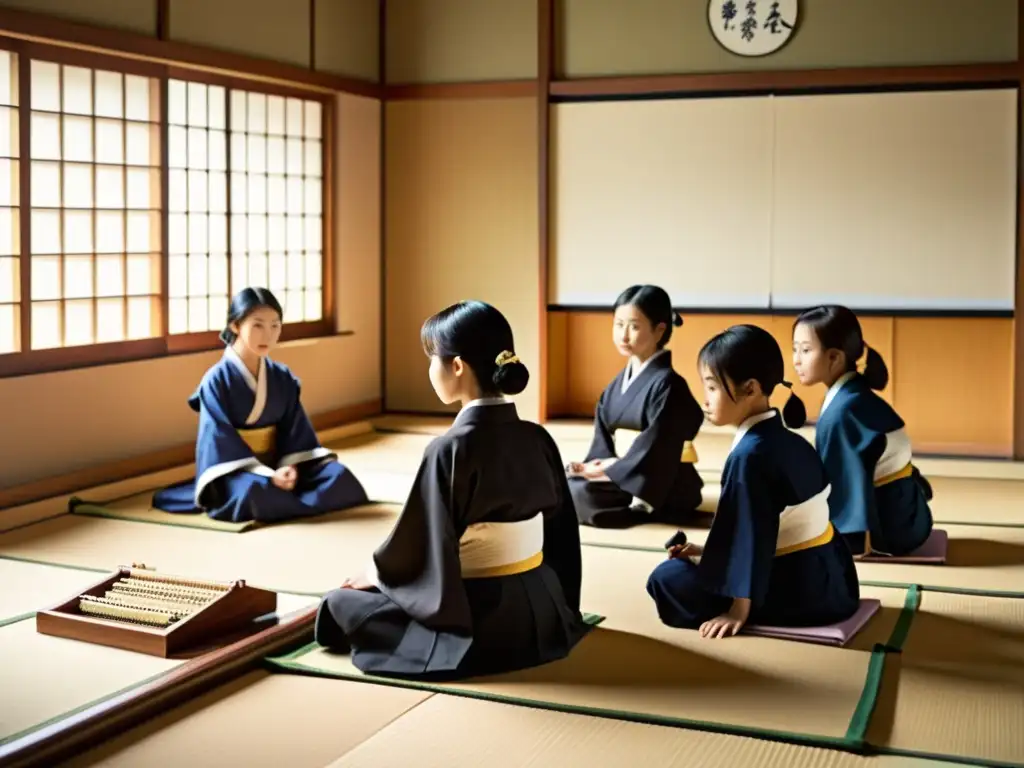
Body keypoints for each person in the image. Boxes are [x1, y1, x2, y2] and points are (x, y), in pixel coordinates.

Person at [315, 300, 590, 678]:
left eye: (432, 359)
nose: (430, 369)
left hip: (481, 621)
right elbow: (562, 534)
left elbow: (420, 546)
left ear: (457, 366)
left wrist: (378, 575)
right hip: (543, 612)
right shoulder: (538, 437)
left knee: (338, 605)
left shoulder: (449, 449)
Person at [646, 325, 860, 638]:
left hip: (802, 592)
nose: (705, 399)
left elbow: (752, 535)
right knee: (688, 567)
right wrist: (706, 551)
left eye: (712, 388)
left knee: (666, 579)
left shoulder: (750, 455)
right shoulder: (790, 439)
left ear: (750, 389)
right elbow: (770, 526)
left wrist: (738, 610)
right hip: (835, 579)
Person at [152, 287, 368, 523]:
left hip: (281, 465)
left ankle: (285, 497)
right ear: (235, 326)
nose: (268, 335)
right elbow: (218, 441)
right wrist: (267, 474)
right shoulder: (216, 381)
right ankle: (287, 497)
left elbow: (296, 433)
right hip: (239, 471)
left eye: (275, 326)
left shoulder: (282, 377)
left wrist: (291, 467)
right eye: (257, 325)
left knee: (339, 477)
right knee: (253, 492)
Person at [792, 305, 934, 557]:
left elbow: (846, 482)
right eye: (795, 350)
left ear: (834, 357)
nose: (796, 360)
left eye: (805, 350)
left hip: (894, 527)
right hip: (906, 510)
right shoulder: (850, 397)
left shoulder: (843, 412)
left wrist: (843, 541)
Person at [568, 285, 705, 529]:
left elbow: (658, 445)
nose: (624, 335)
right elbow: (603, 436)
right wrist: (595, 465)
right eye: (619, 324)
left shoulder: (669, 384)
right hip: (624, 471)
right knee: (569, 484)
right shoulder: (616, 383)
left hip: (659, 478)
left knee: (584, 494)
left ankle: (641, 506)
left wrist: (610, 469)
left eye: (634, 326)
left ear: (659, 330)